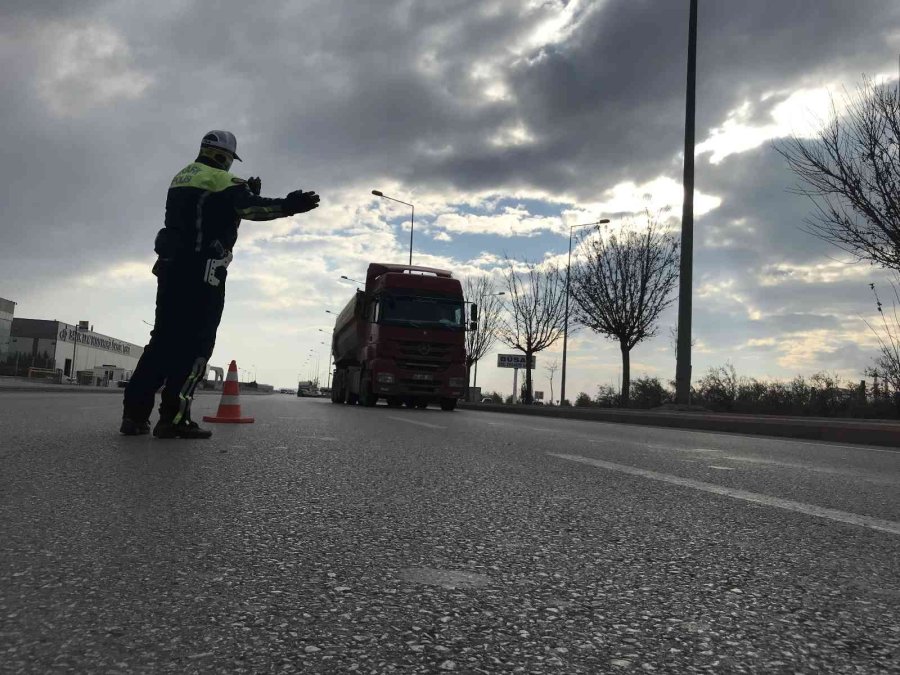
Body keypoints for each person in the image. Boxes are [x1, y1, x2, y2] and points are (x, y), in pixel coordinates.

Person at [121, 130, 319, 438]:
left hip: (171, 269)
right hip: (204, 274)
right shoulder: (225, 182)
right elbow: (251, 209)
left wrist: (243, 195)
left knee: (161, 343)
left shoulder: (182, 176)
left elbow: (204, 215)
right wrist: (289, 205)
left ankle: (134, 417)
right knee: (196, 346)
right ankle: (174, 420)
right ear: (224, 157)